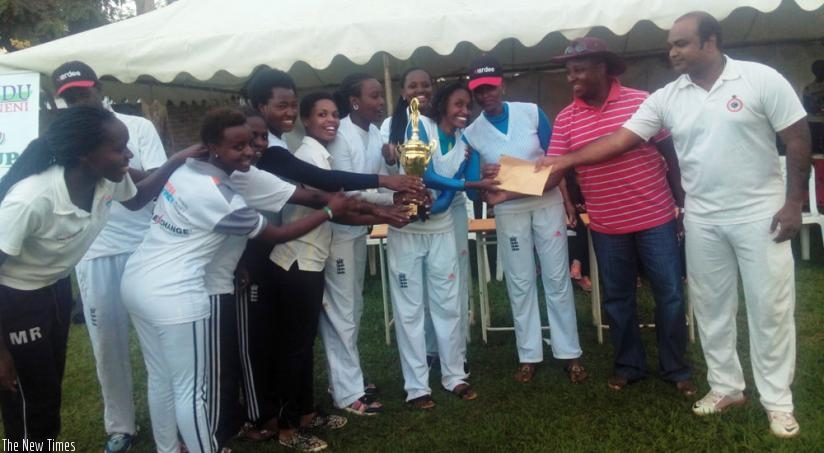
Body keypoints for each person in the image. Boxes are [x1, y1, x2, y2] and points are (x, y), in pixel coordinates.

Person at [537, 12, 810, 438]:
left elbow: (797, 137)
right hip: (702, 216)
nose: (673, 51)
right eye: (671, 44)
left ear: (711, 41)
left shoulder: (760, 79)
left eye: (682, 43)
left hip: (761, 213)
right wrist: (567, 160)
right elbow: (621, 140)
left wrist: (794, 202)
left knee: (768, 308)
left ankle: (777, 401)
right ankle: (726, 387)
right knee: (712, 307)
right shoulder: (666, 97)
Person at [120, 107, 358, 453]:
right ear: (213, 147)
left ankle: (169, 449)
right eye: (238, 147)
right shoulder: (220, 196)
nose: (249, 151)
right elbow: (276, 233)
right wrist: (329, 212)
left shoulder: (187, 169)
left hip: (138, 281)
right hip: (175, 294)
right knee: (193, 390)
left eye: (250, 143)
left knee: (161, 379)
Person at [0, 106, 203, 444]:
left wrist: (176, 159)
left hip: (54, 288)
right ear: (84, 153)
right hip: (15, 298)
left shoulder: (107, 178)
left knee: (48, 393)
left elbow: (138, 200)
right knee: (27, 400)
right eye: (119, 148)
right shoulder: (30, 200)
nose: (130, 154)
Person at [547, 37, 695, 395]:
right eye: (568, 71)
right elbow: (553, 170)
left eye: (579, 69)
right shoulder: (566, 119)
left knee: (670, 294)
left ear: (603, 68)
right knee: (617, 297)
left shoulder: (641, 102)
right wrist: (504, 183)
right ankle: (629, 365)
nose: (572, 78)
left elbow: (670, 155)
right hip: (606, 224)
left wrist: (681, 202)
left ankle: (675, 367)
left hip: (655, 216)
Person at [51, 60, 168, 453]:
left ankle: (170, 418)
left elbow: (152, 181)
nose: (80, 101)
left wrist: (109, 155)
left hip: (143, 246)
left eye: (84, 93)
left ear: (99, 88)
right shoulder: (63, 137)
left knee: (159, 340)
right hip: (95, 250)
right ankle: (121, 426)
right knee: (107, 345)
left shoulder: (136, 127)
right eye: (70, 97)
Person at [462, 55, 586, 384]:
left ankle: (569, 352)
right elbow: (479, 190)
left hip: (546, 203)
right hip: (509, 211)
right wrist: (489, 178)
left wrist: (566, 199)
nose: (486, 95)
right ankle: (528, 354)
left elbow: (555, 160)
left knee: (557, 278)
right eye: (479, 91)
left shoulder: (531, 112)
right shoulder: (472, 133)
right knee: (519, 281)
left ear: (502, 84)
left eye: (490, 88)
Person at [386, 86, 496, 409]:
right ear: (442, 106)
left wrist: (492, 179)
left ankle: (453, 375)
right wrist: (466, 185)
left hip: (442, 229)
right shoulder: (420, 127)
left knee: (448, 302)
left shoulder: (467, 142)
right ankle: (417, 386)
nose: (464, 110)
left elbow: (468, 192)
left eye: (468, 105)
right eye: (457, 104)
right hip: (407, 230)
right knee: (410, 310)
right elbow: (427, 175)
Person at [803, 60, 824, 154]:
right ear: (815, 71)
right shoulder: (809, 88)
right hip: (814, 122)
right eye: (819, 69)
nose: (821, 72)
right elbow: (807, 106)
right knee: (815, 149)